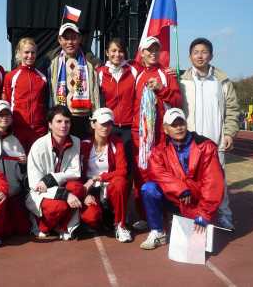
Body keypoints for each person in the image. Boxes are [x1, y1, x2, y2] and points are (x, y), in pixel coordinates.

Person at [140, 108, 224, 250]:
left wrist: (203, 215)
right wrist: (181, 189)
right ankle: (158, 232)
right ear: (166, 129)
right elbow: (157, 173)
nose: (179, 128)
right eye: (174, 125)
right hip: (175, 196)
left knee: (196, 246)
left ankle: (190, 218)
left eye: (181, 123)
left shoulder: (206, 146)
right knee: (148, 189)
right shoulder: (159, 150)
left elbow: (213, 183)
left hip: (197, 200)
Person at [180, 37, 240, 230]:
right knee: (191, 182)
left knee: (218, 182)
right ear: (190, 56)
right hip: (191, 143)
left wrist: (229, 133)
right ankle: (192, 215)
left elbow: (232, 109)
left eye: (204, 52)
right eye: (196, 52)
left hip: (216, 141)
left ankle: (224, 215)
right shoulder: (182, 81)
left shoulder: (222, 81)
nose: (200, 56)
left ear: (211, 55)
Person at [131, 36, 182, 229]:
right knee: (141, 176)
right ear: (142, 53)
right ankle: (144, 216)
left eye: (156, 50)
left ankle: (164, 214)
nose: (152, 53)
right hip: (140, 136)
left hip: (161, 136)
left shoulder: (166, 75)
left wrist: (162, 89)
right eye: (148, 50)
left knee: (161, 175)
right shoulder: (135, 73)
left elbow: (177, 101)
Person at [25, 105, 83, 240]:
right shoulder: (38, 146)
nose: (64, 125)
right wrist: (65, 194)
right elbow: (35, 185)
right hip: (40, 193)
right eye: (59, 121)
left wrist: (51, 179)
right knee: (58, 206)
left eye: (67, 121)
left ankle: (62, 227)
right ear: (50, 125)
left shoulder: (76, 141)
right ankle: (42, 226)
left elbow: (76, 172)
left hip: (60, 187)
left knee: (78, 188)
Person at [79, 108, 132, 242]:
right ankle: (103, 217)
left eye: (109, 124)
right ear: (93, 124)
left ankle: (120, 225)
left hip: (109, 185)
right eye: (102, 124)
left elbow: (122, 170)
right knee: (91, 218)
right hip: (91, 188)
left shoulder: (117, 142)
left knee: (120, 182)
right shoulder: (83, 145)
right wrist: (84, 194)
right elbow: (76, 174)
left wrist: (100, 177)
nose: (106, 127)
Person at [0, 100, 31, 236]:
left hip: (12, 194)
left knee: (22, 229)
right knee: (0, 229)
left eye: (7, 114)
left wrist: (23, 164)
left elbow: (22, 174)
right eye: (0, 115)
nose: (4, 118)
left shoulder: (15, 141)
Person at [48, 23, 100, 139]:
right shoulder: (52, 64)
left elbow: (95, 93)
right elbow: (50, 95)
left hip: (84, 120)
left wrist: (96, 118)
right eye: (66, 38)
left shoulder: (90, 63)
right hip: (62, 119)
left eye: (73, 38)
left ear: (79, 39)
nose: (70, 42)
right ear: (60, 40)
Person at [97, 38, 138, 171]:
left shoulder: (133, 70)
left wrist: (166, 70)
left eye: (120, 51)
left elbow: (151, 69)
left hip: (129, 126)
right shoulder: (100, 73)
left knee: (129, 164)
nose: (117, 54)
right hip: (109, 126)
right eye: (113, 50)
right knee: (110, 164)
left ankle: (128, 191)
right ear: (107, 53)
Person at [3, 37, 48, 154]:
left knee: (37, 167)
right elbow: (7, 102)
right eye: (26, 52)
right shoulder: (11, 76)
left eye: (33, 52)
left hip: (39, 131)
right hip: (18, 130)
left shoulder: (42, 77)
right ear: (19, 53)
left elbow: (45, 103)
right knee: (18, 167)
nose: (30, 55)